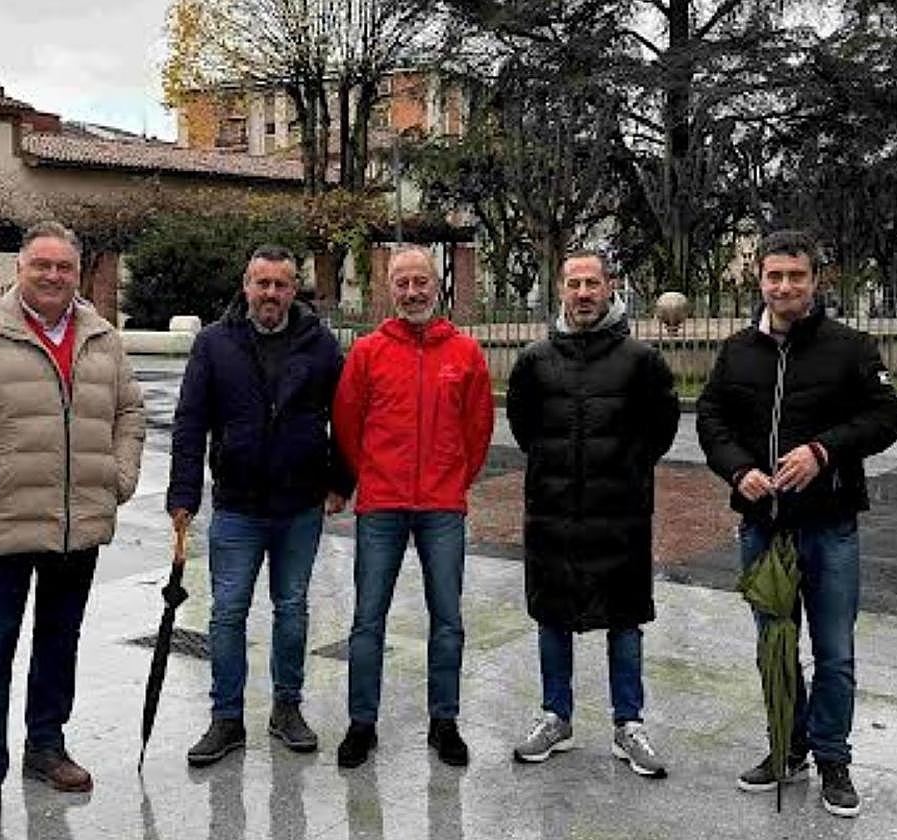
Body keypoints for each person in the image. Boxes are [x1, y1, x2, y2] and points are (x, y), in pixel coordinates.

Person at [0, 220, 145, 840]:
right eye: (41, 265)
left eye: (64, 267)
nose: (52, 276)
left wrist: (118, 477)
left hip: (77, 522)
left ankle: (46, 745)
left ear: (78, 273)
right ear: (19, 269)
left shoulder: (102, 337)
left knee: (59, 643)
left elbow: (129, 411)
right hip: (5, 519)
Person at [696, 229, 897, 818]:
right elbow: (712, 420)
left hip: (830, 525)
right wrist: (738, 471)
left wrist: (822, 451)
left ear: (815, 281)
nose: (784, 286)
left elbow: (886, 417)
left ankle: (834, 757)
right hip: (762, 527)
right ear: (759, 280)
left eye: (796, 276)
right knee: (775, 646)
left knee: (834, 650)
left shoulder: (852, 347)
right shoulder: (737, 351)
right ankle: (788, 750)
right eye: (774, 276)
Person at [167, 245, 352, 767]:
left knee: (291, 609)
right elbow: (189, 423)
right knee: (227, 613)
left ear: (296, 290)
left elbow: (345, 416)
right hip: (236, 505)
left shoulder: (319, 344)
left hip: (299, 504)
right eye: (262, 283)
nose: (271, 293)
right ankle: (226, 717)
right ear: (246, 285)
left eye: (281, 284)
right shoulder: (213, 344)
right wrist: (183, 494)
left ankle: (286, 708)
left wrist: (341, 480)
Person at [505, 250, 678, 775]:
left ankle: (629, 724)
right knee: (551, 615)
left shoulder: (641, 360)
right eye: (574, 283)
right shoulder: (535, 360)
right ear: (561, 289)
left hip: (619, 514)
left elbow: (661, 428)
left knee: (624, 619)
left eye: (592, 284)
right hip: (553, 512)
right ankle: (555, 716)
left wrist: (623, 470)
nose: (583, 294)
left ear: (610, 287)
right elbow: (523, 427)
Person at [331, 245, 494, 768]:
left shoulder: (465, 353)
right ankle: (362, 723)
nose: (411, 292)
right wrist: (372, 475)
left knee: (447, 619)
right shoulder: (367, 352)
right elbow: (348, 426)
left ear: (436, 285)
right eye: (401, 282)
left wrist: (452, 479)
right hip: (381, 504)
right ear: (389, 288)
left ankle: (444, 721)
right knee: (367, 620)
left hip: (442, 507)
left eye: (420, 281)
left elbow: (479, 430)